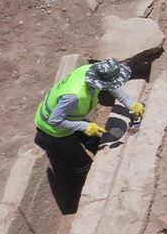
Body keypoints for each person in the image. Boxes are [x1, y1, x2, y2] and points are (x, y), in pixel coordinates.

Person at [34, 59, 143, 199]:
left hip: (70, 115)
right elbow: (55, 121)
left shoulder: (92, 71)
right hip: (53, 128)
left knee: (94, 141)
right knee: (81, 162)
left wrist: (129, 102)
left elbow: (110, 84)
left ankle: (95, 154)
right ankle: (86, 190)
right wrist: (85, 126)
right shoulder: (74, 96)